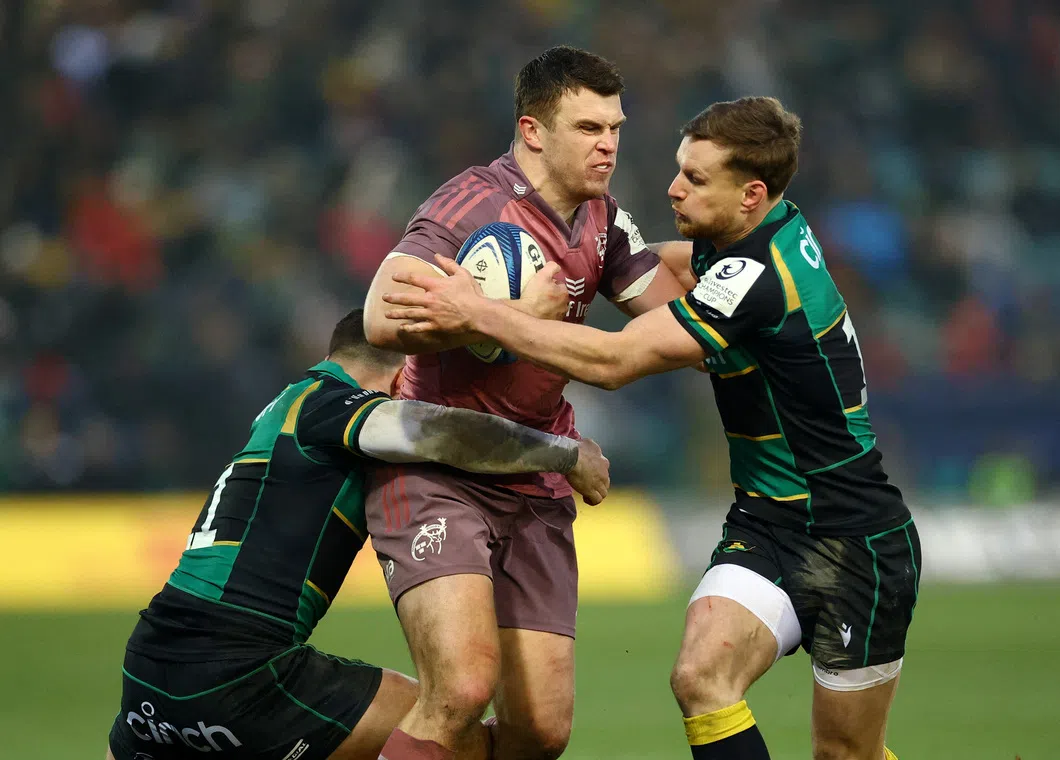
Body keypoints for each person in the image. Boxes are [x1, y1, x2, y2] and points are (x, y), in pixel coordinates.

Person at [383, 96, 920, 760]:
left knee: (844, 753)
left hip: (853, 536)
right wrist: (582, 263)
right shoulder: (760, 230)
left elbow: (613, 363)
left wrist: (480, 312)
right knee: (700, 678)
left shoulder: (756, 279)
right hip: (769, 524)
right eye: (678, 169)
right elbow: (679, 262)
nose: (673, 188)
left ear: (750, 194)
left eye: (695, 178)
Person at [360, 45, 688, 760]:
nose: (608, 145)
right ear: (533, 131)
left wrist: (746, 273)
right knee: (461, 688)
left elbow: (675, 323)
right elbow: (380, 317)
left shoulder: (604, 220)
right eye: (588, 128)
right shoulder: (470, 205)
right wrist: (489, 315)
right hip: (439, 470)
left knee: (540, 731)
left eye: (615, 128)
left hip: (535, 479)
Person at [105, 309, 610, 760]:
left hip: (148, 663)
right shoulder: (330, 404)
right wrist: (564, 454)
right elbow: (440, 432)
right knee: (447, 734)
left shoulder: (289, 405)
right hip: (239, 666)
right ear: (404, 374)